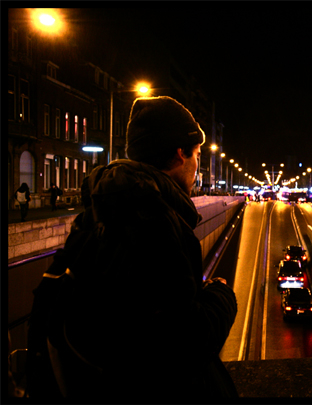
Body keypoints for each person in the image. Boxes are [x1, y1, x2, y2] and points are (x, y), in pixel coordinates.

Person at [40, 96, 238, 402]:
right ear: (180, 154)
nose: (198, 166)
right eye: (197, 154)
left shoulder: (100, 210)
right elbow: (183, 343)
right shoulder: (153, 221)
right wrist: (221, 296)